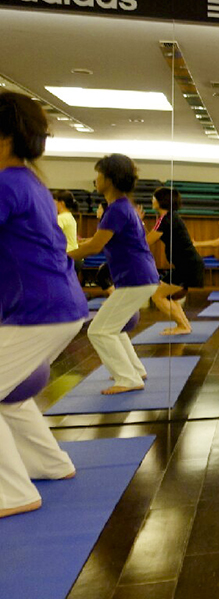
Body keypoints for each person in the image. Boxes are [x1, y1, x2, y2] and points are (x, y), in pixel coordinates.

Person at [0, 92, 87, 519]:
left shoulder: (8, 184)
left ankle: (11, 493)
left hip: (39, 310)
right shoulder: (28, 182)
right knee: (8, 394)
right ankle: (49, 464)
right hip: (58, 306)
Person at [68, 154, 159, 394]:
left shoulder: (117, 209)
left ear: (109, 179)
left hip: (136, 278)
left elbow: (95, 246)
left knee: (99, 330)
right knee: (112, 327)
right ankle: (135, 370)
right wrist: (79, 245)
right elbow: (100, 239)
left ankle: (128, 378)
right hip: (140, 277)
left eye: (99, 174)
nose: (95, 179)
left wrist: (62, 256)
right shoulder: (121, 207)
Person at [145, 187, 205, 335]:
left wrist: (137, 223)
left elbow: (146, 241)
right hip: (187, 265)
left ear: (161, 201)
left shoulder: (165, 219)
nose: (152, 200)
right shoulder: (169, 217)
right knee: (167, 295)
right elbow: (149, 237)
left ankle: (183, 326)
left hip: (188, 266)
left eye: (154, 197)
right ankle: (184, 325)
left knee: (157, 295)